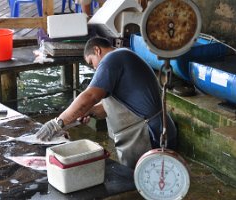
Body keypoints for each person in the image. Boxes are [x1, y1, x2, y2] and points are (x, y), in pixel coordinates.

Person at [35, 37, 177, 169]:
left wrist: (58, 123)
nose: (95, 69)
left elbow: (91, 96)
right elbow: (110, 108)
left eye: (91, 63)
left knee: (150, 182)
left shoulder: (112, 59)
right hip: (157, 128)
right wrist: (89, 111)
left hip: (151, 133)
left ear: (97, 50)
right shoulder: (123, 56)